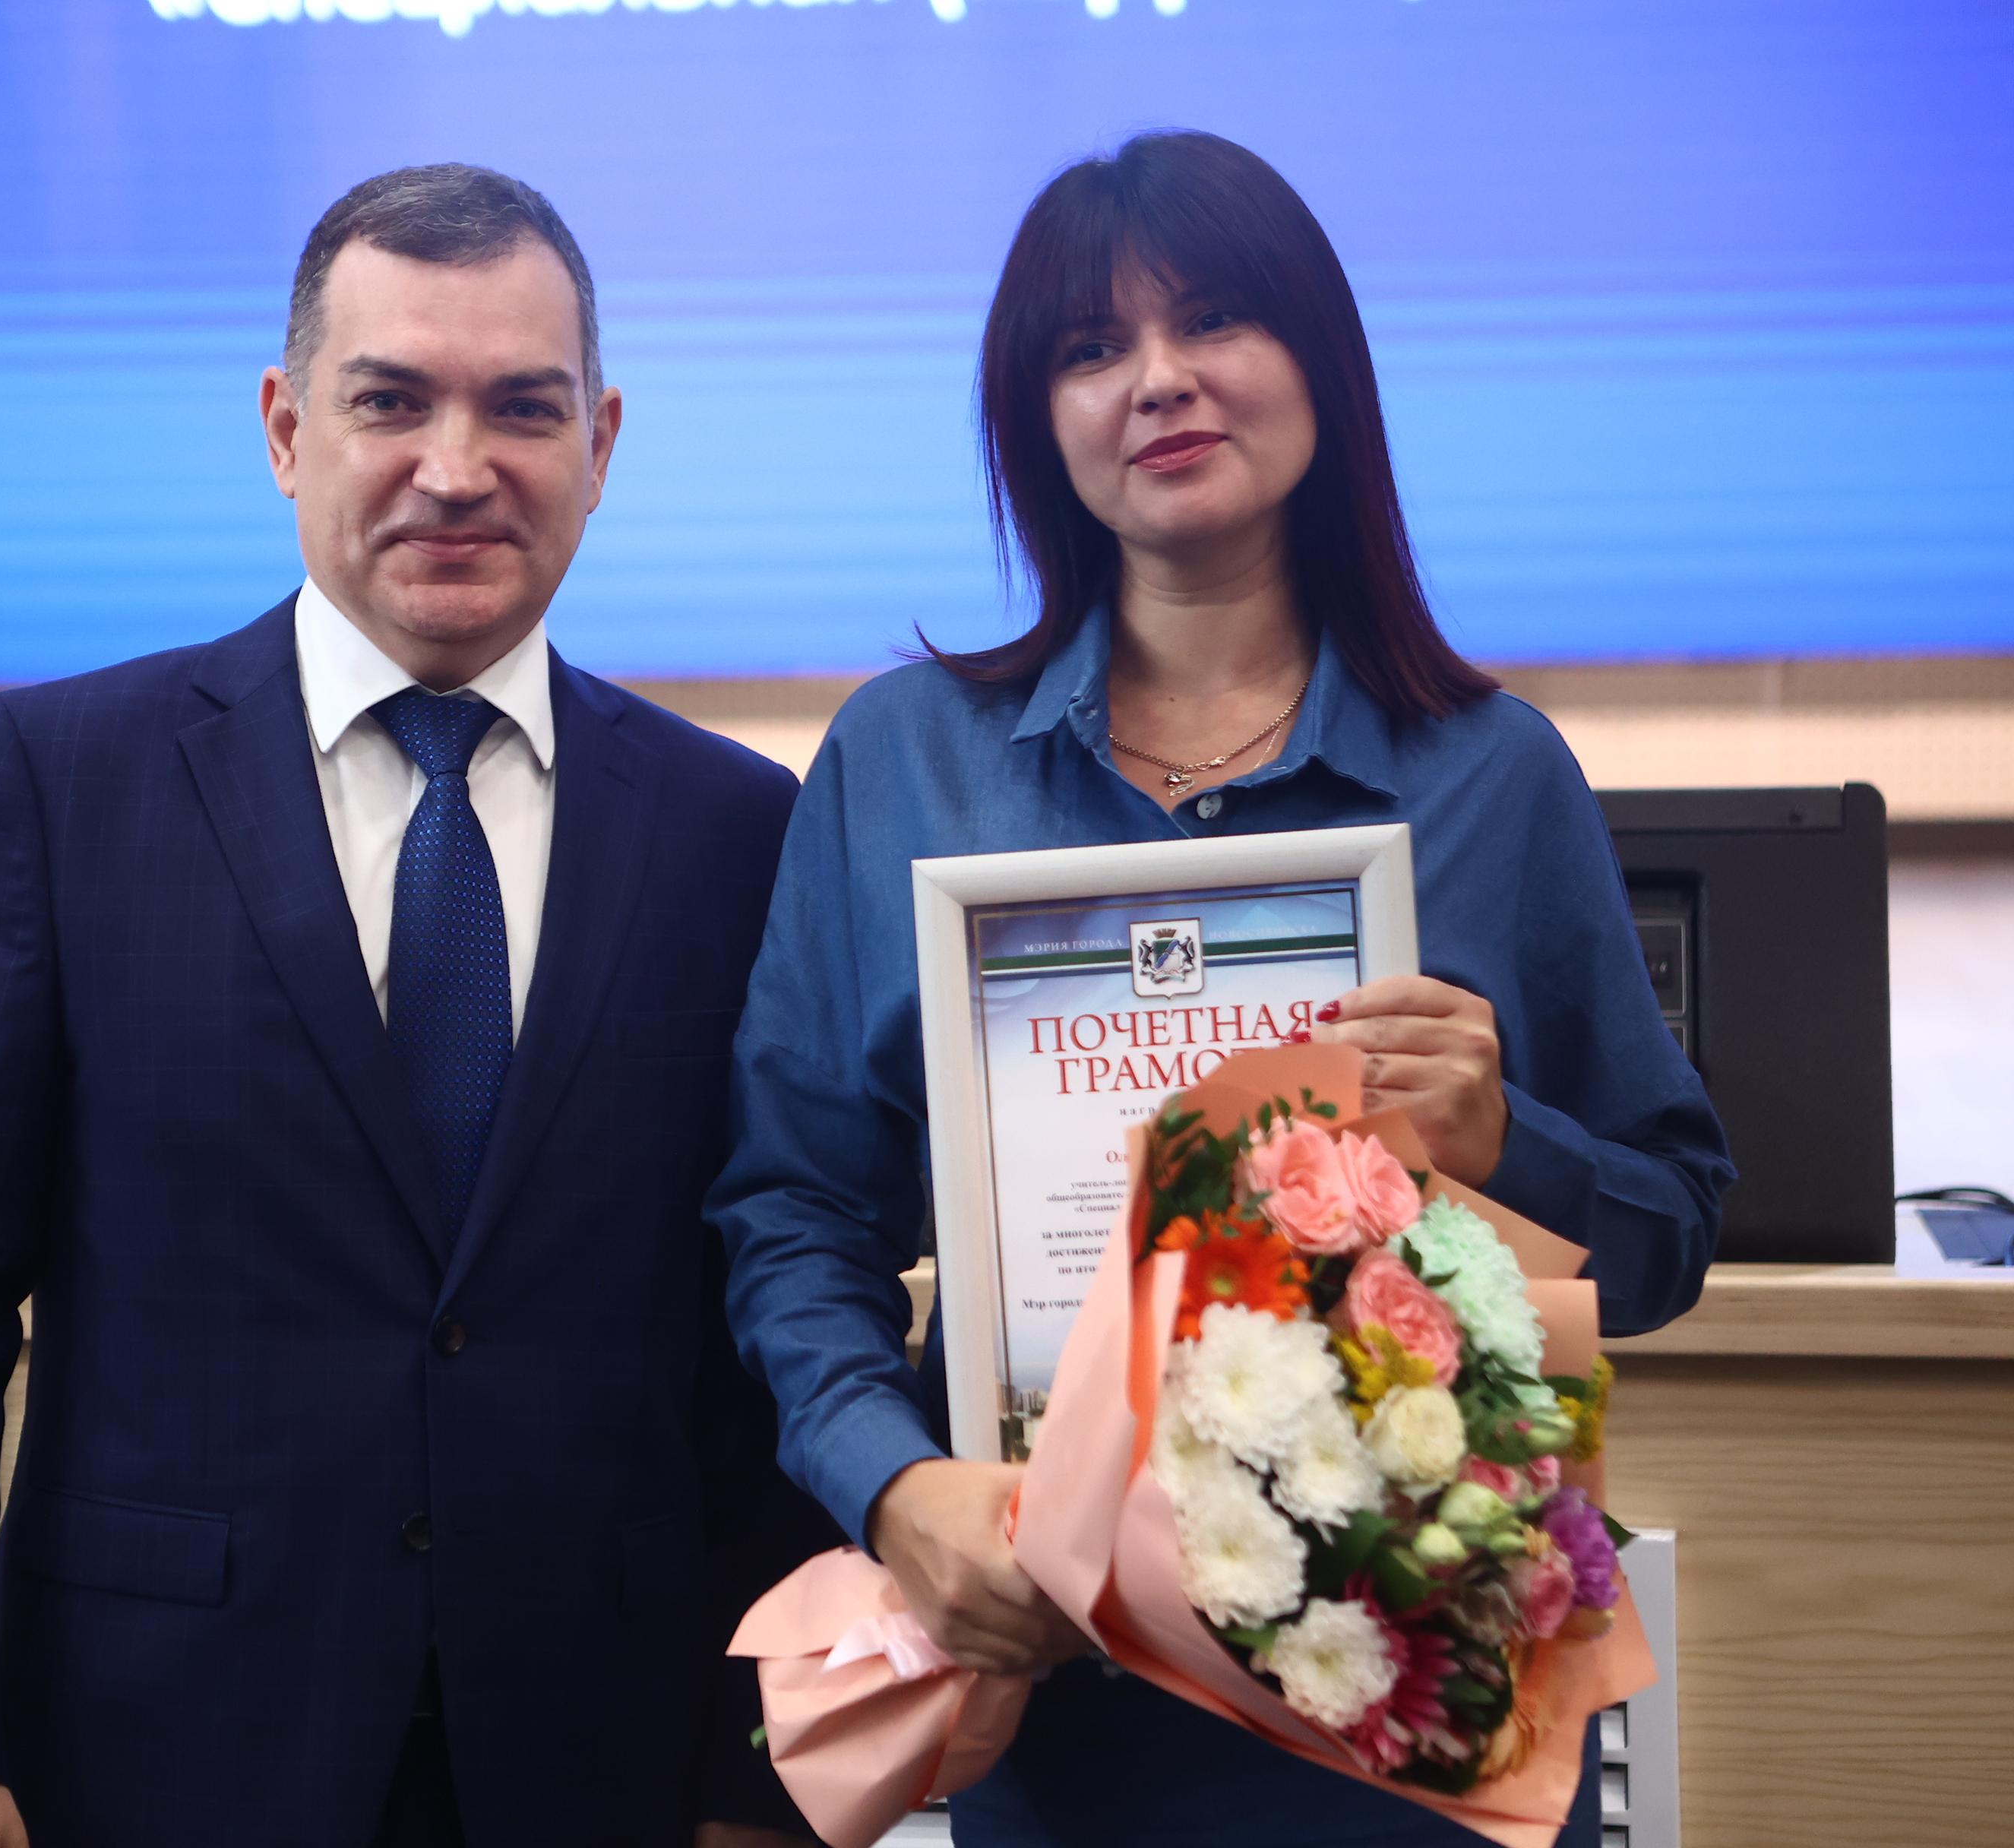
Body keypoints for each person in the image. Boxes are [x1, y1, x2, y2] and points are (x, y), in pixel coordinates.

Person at [708, 132, 1733, 1846]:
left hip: (1412, 1695)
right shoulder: (905, 765)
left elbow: (1670, 1236)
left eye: (1213, 320)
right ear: (1037, 420)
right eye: (1090, 347)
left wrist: (1506, 1144)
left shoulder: (1495, 774)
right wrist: (896, 1486)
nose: (1158, 380)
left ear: (1319, 361)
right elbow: (792, 1212)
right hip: (1064, 1699)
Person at [0, 164, 832, 1848]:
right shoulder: (62, 783)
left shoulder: (735, 828)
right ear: (288, 430)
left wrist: (761, 1771)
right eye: (391, 401)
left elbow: (765, 1335)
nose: (458, 466)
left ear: (601, 445)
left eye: (524, 407)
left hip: (613, 1760)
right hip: (160, 1754)